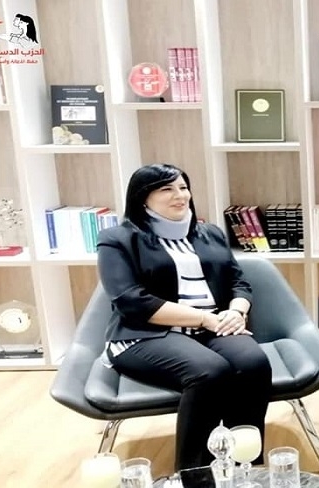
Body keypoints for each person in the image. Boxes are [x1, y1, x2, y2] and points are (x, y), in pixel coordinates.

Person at [97, 163, 272, 470]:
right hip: (145, 334)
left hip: (213, 327)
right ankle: (194, 473)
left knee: (253, 364)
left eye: (183, 187)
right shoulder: (118, 239)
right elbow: (130, 301)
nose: (180, 196)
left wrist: (236, 311)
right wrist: (203, 318)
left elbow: (238, 281)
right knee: (209, 372)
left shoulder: (210, 233)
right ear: (142, 198)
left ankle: (244, 466)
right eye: (166, 189)